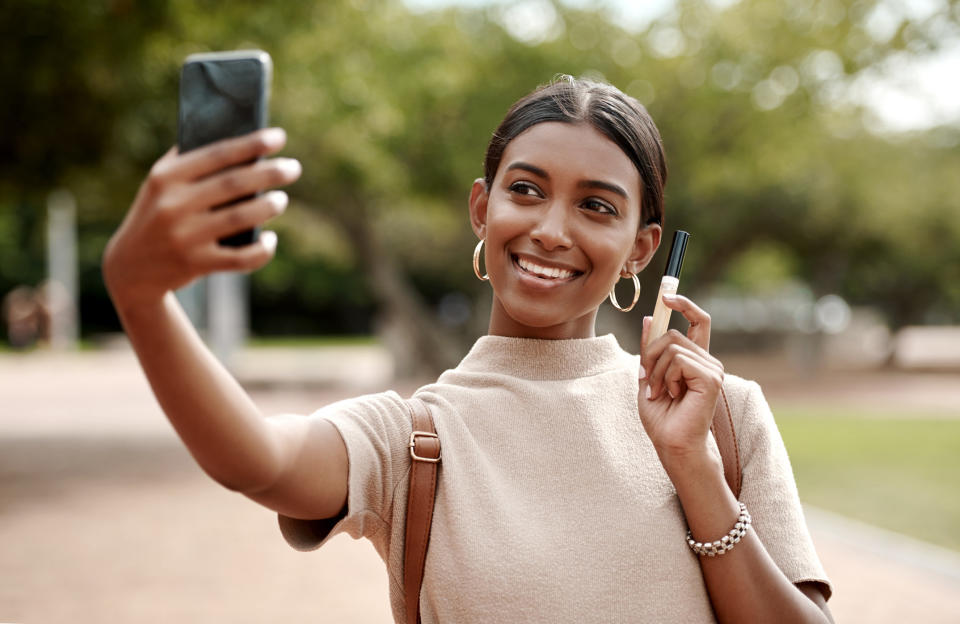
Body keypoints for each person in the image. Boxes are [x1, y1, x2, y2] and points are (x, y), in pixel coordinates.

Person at [103, 76, 833, 622]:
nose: (550, 228)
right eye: (527, 190)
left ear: (643, 249)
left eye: (596, 206)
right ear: (483, 210)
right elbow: (257, 460)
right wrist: (142, 298)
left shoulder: (723, 416)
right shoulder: (417, 438)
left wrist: (695, 469)